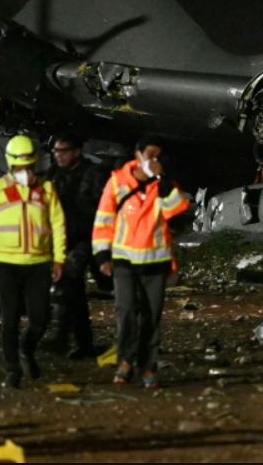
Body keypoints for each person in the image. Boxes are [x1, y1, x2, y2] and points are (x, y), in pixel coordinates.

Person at [92, 135, 189, 389]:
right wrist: (102, 255)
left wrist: (162, 180)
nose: (154, 160)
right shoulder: (117, 182)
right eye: (150, 155)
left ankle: (148, 367)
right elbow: (103, 219)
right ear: (138, 155)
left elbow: (178, 207)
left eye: (158, 156)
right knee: (125, 312)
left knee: (151, 317)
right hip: (124, 260)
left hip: (155, 261)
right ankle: (125, 361)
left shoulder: (162, 186)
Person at [0, 135, 66, 388]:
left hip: (38, 262)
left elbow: (58, 226)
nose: (25, 171)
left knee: (40, 318)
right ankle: (11, 372)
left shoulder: (46, 190)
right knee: (10, 319)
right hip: (6, 263)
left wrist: (58, 260)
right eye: (20, 166)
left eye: (28, 165)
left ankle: (26, 349)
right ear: (11, 164)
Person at [42, 133, 109, 360]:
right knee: (71, 291)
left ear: (77, 152)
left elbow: (107, 208)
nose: (59, 156)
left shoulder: (94, 174)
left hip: (92, 239)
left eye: (64, 151)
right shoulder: (54, 175)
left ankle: (62, 337)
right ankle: (80, 343)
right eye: (56, 152)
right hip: (66, 240)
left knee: (73, 283)